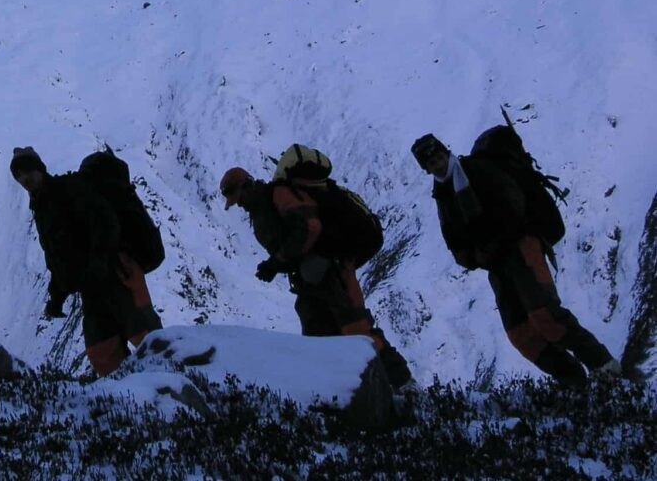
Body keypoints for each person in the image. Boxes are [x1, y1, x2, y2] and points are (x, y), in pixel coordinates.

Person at [411, 132, 617, 382]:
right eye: (431, 163)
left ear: (446, 153)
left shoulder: (476, 171)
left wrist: (494, 241)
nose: (438, 165)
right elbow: (454, 242)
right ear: (426, 169)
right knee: (520, 333)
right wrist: (476, 256)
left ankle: (605, 367)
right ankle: (573, 382)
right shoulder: (443, 195)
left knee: (545, 314)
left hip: (521, 246)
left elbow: (512, 203)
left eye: (440, 157)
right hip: (495, 263)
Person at [221, 145, 413, 388]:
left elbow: (309, 227)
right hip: (312, 280)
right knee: (320, 339)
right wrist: (277, 264)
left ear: (247, 186)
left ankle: (403, 383)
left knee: (357, 329)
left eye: (238, 198)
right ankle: (350, 393)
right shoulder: (265, 206)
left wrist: (276, 263)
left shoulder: (278, 195)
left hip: (332, 271)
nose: (239, 205)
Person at [11, 146, 160, 377]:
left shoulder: (69, 189)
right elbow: (59, 257)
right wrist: (57, 296)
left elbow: (106, 223)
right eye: (18, 175)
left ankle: (181, 391)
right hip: (91, 288)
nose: (23, 178)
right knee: (102, 352)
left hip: (119, 273)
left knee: (148, 339)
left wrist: (99, 263)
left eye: (27, 171)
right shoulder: (42, 207)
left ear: (40, 169)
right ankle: (133, 402)